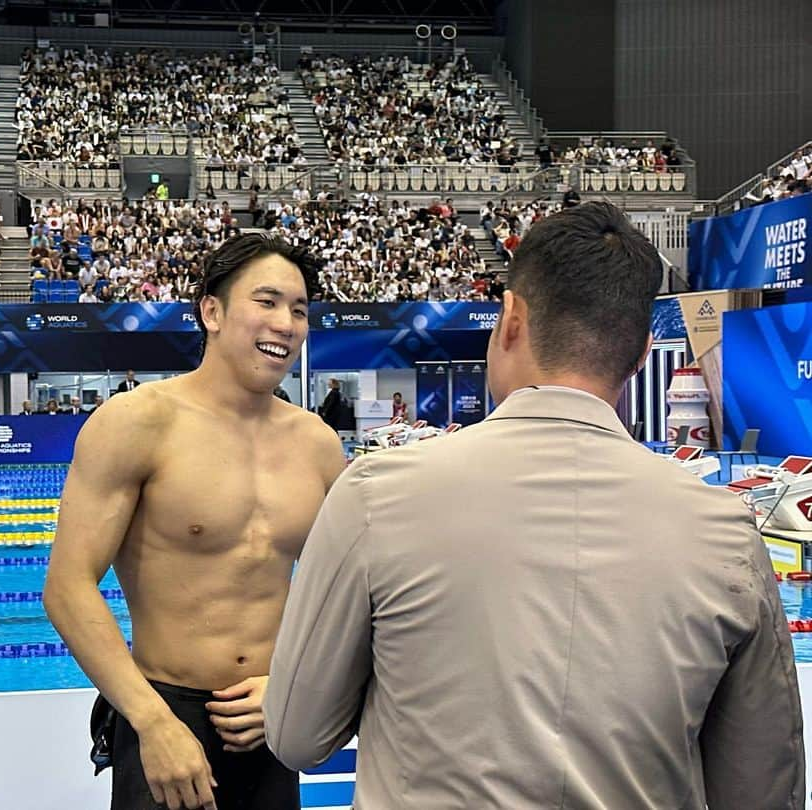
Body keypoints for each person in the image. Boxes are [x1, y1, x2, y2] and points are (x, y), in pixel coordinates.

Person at [263, 202, 805, 808]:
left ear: (511, 319)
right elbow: (762, 786)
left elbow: (298, 734)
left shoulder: (375, 496)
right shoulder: (726, 533)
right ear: (643, 351)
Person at [44, 233, 345, 810]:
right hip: (164, 713)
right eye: (267, 301)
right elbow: (67, 587)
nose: (286, 322)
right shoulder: (137, 423)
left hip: (267, 719)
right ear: (212, 310)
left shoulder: (318, 445)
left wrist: (295, 691)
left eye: (300, 309)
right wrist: (152, 723)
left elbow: (353, 593)